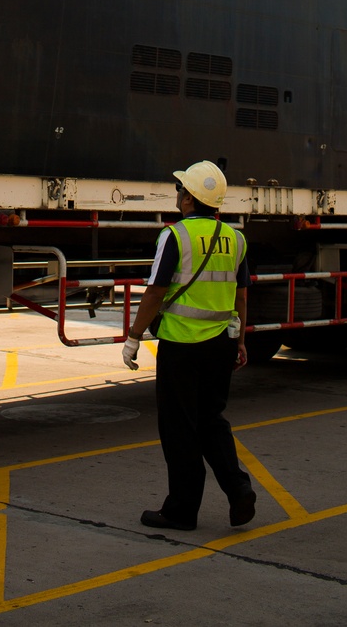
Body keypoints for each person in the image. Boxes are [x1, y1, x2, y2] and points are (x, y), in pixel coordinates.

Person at [122, 159, 256, 530]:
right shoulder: (236, 238)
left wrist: (134, 337)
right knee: (212, 419)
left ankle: (182, 509)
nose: (178, 195)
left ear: (188, 199)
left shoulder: (175, 235)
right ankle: (239, 488)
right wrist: (241, 340)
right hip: (221, 344)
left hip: (182, 344)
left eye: (181, 190)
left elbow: (156, 291)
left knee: (179, 426)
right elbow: (241, 297)